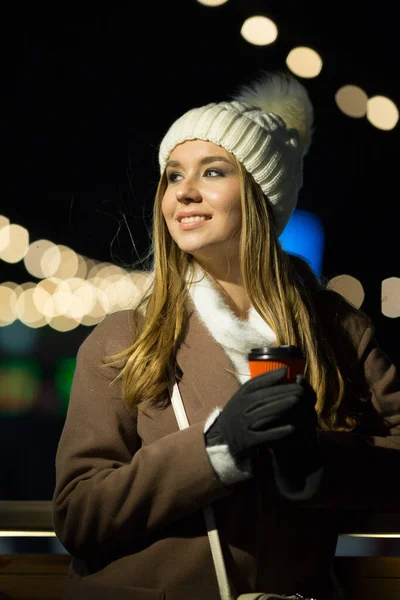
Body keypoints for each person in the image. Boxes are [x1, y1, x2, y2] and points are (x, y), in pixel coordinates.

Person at [52, 72, 400, 600]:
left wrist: (317, 459)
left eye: (213, 171)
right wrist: (215, 448)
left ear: (263, 197)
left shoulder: (339, 331)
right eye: (172, 176)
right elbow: (78, 514)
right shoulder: (125, 338)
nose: (184, 192)